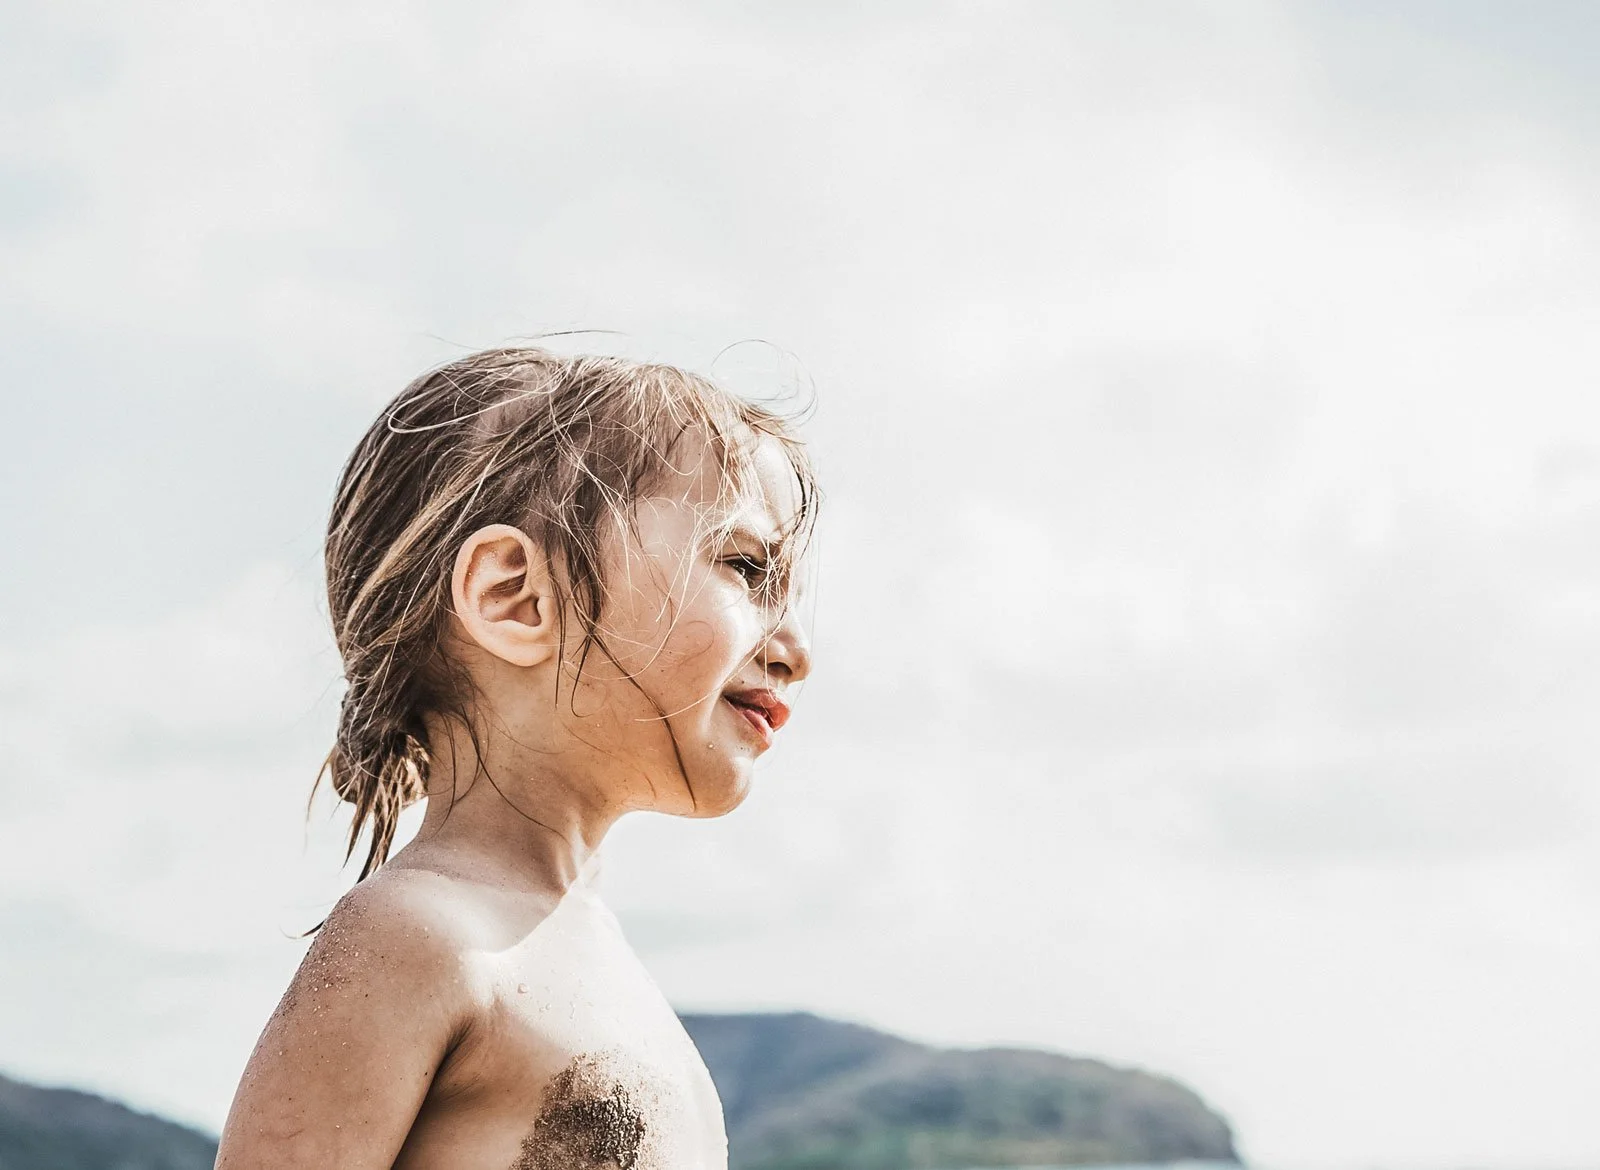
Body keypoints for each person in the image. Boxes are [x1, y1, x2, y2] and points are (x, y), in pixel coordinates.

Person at [215, 346, 818, 1169]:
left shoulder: (602, 964)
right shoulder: (418, 934)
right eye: (746, 567)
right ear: (514, 597)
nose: (795, 649)